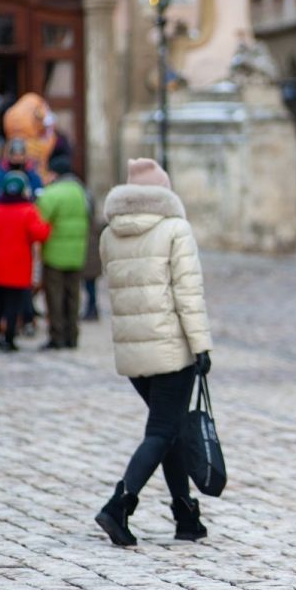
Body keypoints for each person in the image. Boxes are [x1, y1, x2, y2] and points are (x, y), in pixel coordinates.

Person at [95, 158, 213, 547]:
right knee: (162, 431)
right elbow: (188, 295)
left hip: (133, 355)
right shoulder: (175, 229)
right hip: (170, 351)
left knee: (171, 430)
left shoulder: (110, 234)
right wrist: (201, 346)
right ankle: (119, 505)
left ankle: (185, 514)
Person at [0, 172, 51, 350]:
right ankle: (9, 339)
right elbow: (39, 234)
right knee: (13, 304)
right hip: (17, 265)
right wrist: (49, 225)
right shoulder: (28, 211)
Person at [36, 155, 90, 350]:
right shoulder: (81, 191)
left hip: (55, 254)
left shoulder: (52, 193)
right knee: (73, 296)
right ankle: (72, 336)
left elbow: (39, 219)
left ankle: (57, 337)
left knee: (55, 297)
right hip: (77, 253)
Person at [0, 138, 43, 205]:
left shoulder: (32, 175)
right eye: (14, 154)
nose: (18, 158)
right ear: (9, 155)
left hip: (26, 210)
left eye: (21, 154)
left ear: (25, 156)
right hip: (5, 209)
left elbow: (39, 194)